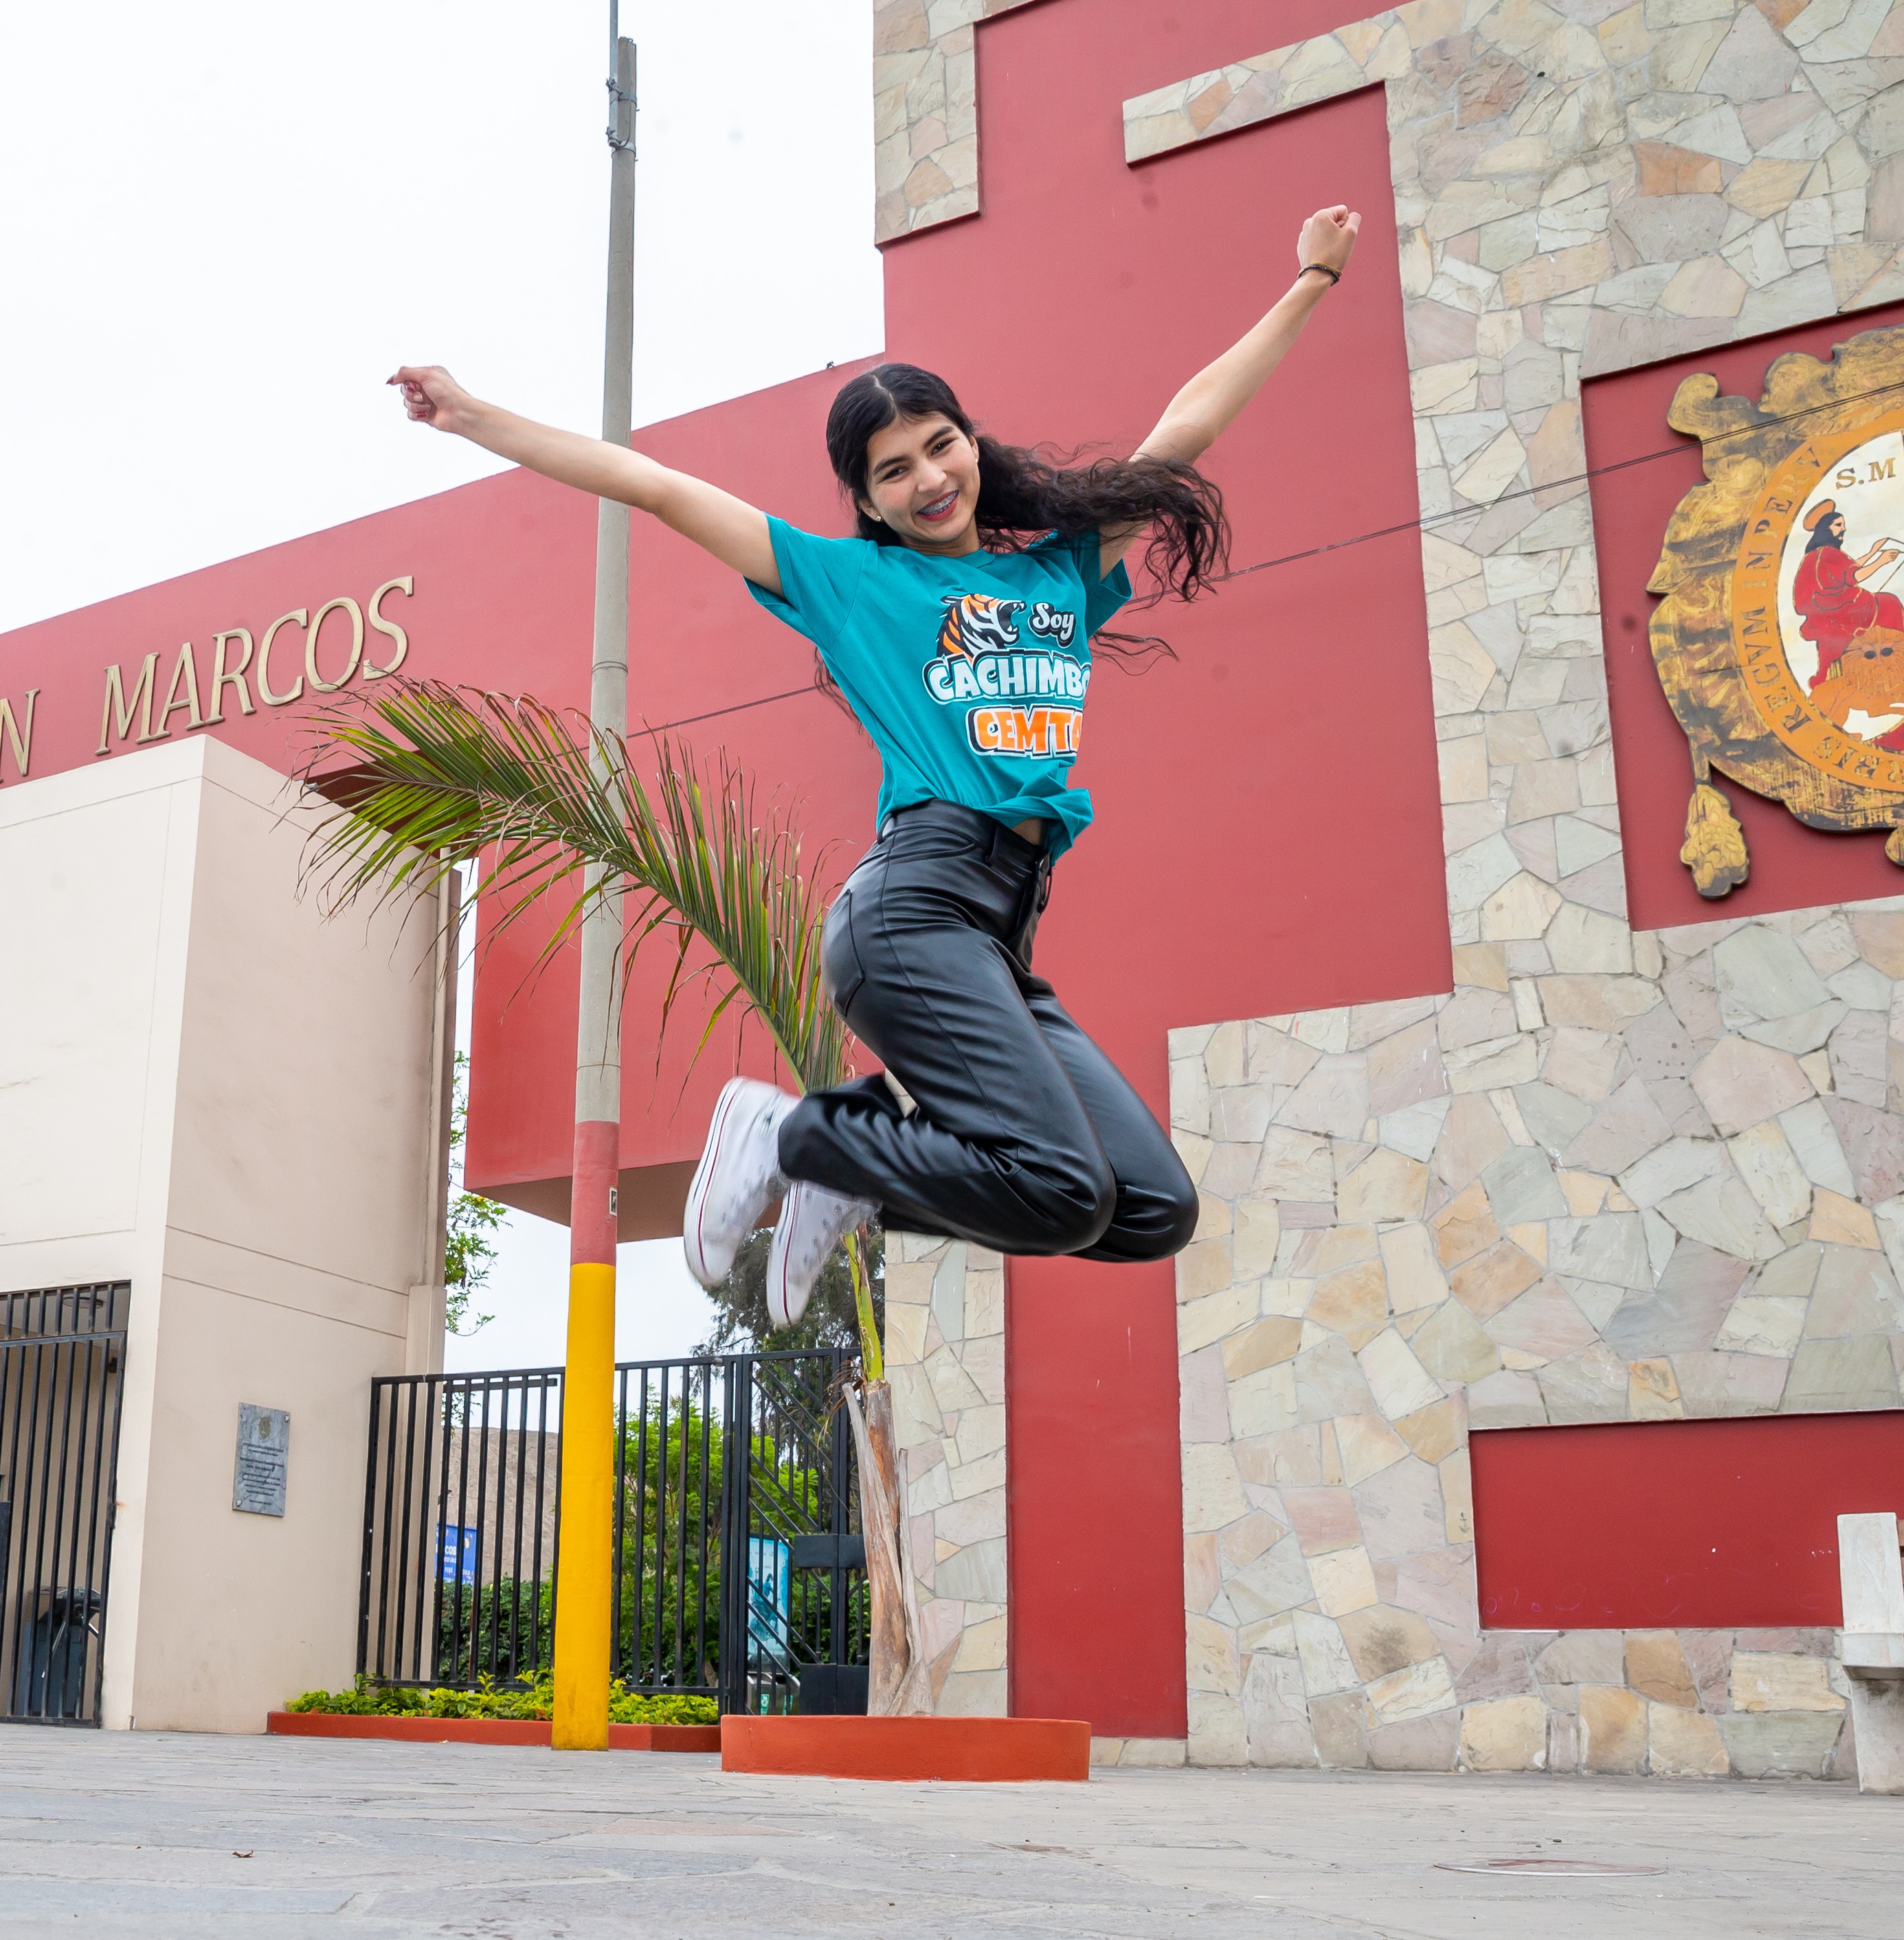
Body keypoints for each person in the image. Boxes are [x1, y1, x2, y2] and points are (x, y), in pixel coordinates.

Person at [392, 204, 1360, 1328]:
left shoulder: (1058, 576)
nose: (927, 478)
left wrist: (1309, 284)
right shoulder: (850, 585)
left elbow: (1181, 430)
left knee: (1142, 1208)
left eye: (939, 444)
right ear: (865, 500)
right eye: (892, 470)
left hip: (998, 939)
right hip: (918, 906)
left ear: (971, 442)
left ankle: (841, 1168)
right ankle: (793, 1135)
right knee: (1060, 1184)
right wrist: (472, 415)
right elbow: (654, 485)